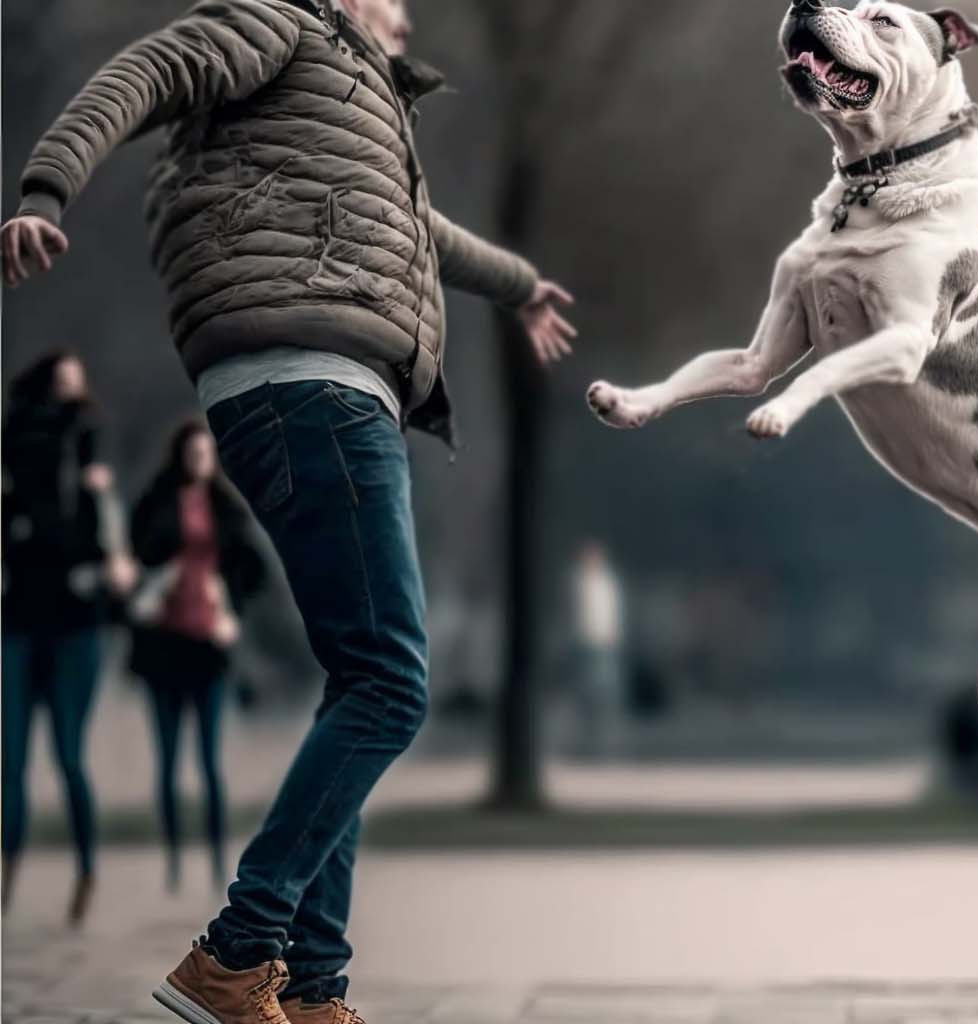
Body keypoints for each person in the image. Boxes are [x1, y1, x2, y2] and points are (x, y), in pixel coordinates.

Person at [2, 0, 577, 1020]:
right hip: (312, 385)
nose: (405, 18)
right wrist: (46, 188)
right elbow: (142, 74)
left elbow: (423, 232)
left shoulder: (351, 111)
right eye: (390, 1)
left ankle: (312, 992)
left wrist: (524, 285)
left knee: (358, 682)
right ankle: (239, 947)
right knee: (393, 683)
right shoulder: (280, 25)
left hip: (308, 393)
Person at [1, 351, 136, 926]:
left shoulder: (92, 463)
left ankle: (85, 871)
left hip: (75, 622)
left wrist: (114, 567)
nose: (71, 396)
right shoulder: (14, 459)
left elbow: (117, 551)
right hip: (18, 619)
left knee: (68, 756)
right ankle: (9, 874)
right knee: (11, 759)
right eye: (64, 384)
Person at [129, 422, 268, 896]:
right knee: (168, 762)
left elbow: (254, 569)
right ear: (180, 456)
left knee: (209, 761)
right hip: (164, 645)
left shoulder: (226, 509)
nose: (199, 461)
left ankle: (214, 862)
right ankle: (173, 862)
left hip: (209, 643)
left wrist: (228, 597)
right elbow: (136, 555)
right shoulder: (155, 503)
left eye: (206, 454)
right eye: (192, 453)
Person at [570, 541, 627, 757]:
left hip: (606, 641)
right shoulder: (580, 581)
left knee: (607, 686)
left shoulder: (606, 581)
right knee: (587, 688)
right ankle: (588, 732)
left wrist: (613, 634)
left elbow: (612, 610)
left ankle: (607, 730)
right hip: (587, 641)